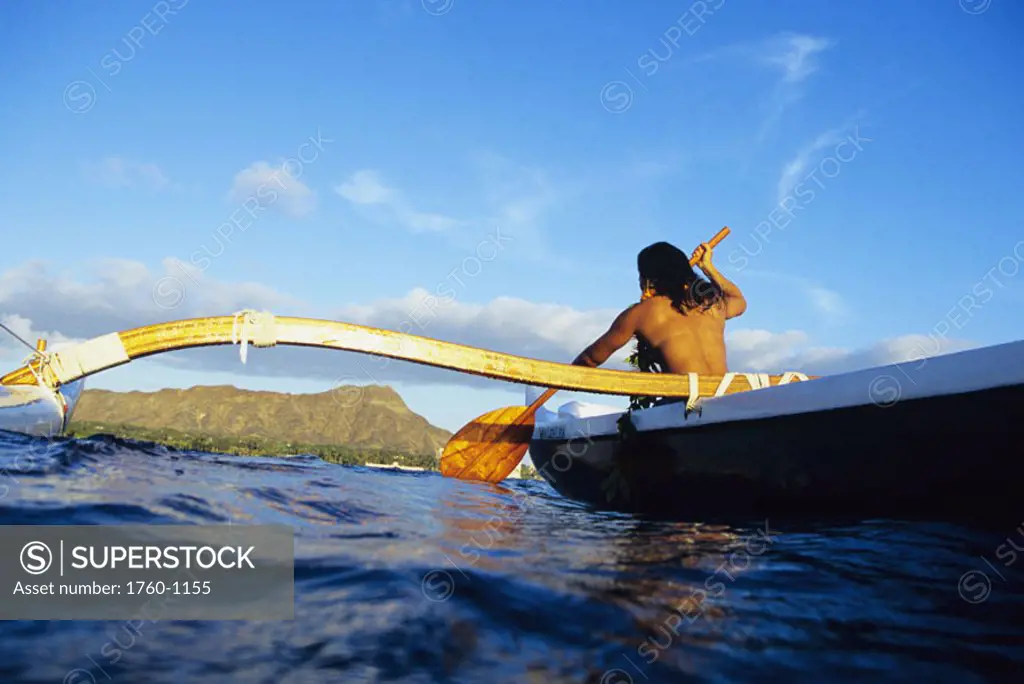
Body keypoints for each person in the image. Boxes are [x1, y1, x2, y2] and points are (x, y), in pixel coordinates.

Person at [572, 240, 746, 375]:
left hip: (686, 404)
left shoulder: (640, 314)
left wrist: (567, 375)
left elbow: (592, 358)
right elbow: (738, 300)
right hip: (725, 399)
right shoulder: (709, 304)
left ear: (647, 279)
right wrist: (708, 268)